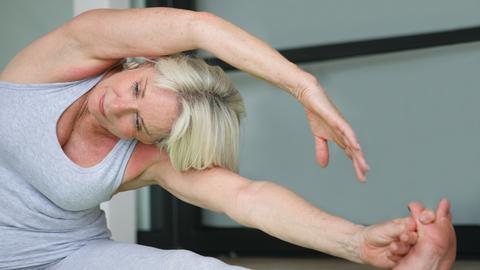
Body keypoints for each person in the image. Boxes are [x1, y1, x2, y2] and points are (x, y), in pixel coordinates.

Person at [0, 7, 452, 269]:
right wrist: (302, 86)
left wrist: (357, 241)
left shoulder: (146, 159)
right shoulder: (65, 59)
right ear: (139, 65)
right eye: (136, 90)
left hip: (62, 256)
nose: (116, 106)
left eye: (137, 124)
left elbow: (246, 197)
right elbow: (200, 28)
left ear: (152, 140)